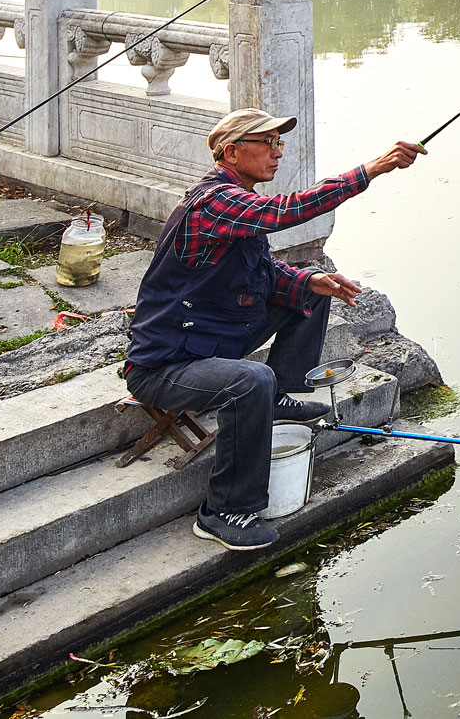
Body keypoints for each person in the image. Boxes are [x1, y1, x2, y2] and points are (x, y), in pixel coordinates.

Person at [127, 109, 426, 551]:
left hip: (216, 339)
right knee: (251, 379)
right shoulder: (212, 202)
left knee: (310, 285)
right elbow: (287, 211)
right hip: (166, 364)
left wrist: (311, 282)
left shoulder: (237, 203)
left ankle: (279, 396)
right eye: (267, 143)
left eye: (279, 143)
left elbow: (263, 271)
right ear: (231, 152)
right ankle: (223, 511)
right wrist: (372, 170)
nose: (277, 152)